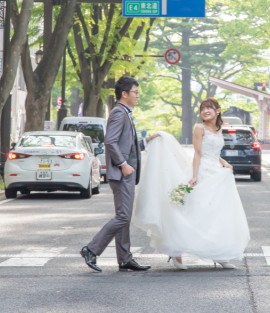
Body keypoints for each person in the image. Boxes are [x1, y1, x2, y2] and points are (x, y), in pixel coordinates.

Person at [132, 97, 250, 270]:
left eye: (209, 108)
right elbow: (198, 153)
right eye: (203, 109)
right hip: (203, 172)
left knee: (217, 213)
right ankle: (176, 250)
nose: (205, 111)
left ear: (218, 110)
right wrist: (194, 176)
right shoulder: (199, 128)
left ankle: (220, 254)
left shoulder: (218, 128)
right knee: (193, 211)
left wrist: (224, 162)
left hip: (218, 173)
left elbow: (212, 152)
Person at [81, 76, 159, 272]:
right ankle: (91, 249)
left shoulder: (125, 113)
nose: (138, 96)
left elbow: (129, 147)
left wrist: (147, 141)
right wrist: (123, 164)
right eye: (135, 92)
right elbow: (110, 142)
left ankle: (124, 258)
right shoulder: (119, 113)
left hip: (127, 173)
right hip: (122, 173)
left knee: (123, 216)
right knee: (123, 217)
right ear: (124, 94)